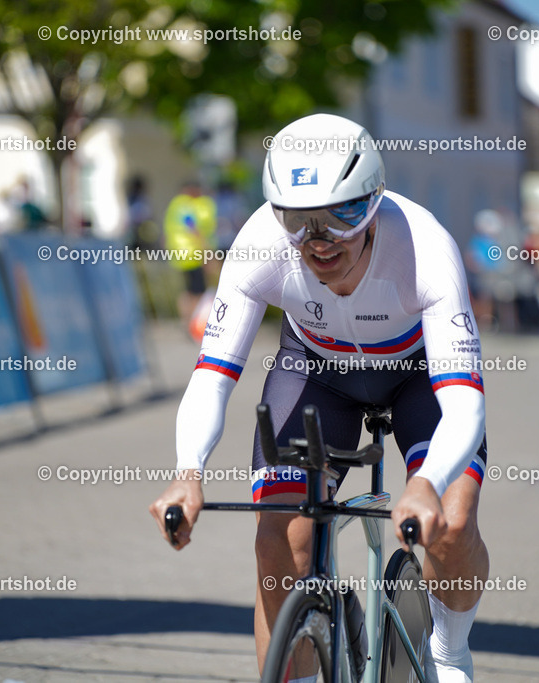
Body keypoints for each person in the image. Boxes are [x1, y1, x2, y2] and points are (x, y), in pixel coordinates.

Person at [150, 113, 489, 682]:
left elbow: (464, 403)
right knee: (281, 539)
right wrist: (188, 473)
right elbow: (211, 375)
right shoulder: (260, 244)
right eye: (297, 220)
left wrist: (425, 486)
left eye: (343, 214)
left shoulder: (426, 247)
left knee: (451, 523)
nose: (319, 239)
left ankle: (450, 652)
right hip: (316, 374)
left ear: (375, 201)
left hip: (415, 375)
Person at [163, 181, 217, 325]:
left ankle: (186, 320)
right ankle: (195, 323)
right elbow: (194, 228)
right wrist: (207, 252)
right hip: (192, 254)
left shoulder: (175, 205)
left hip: (179, 254)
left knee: (187, 290)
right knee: (197, 291)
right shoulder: (186, 206)